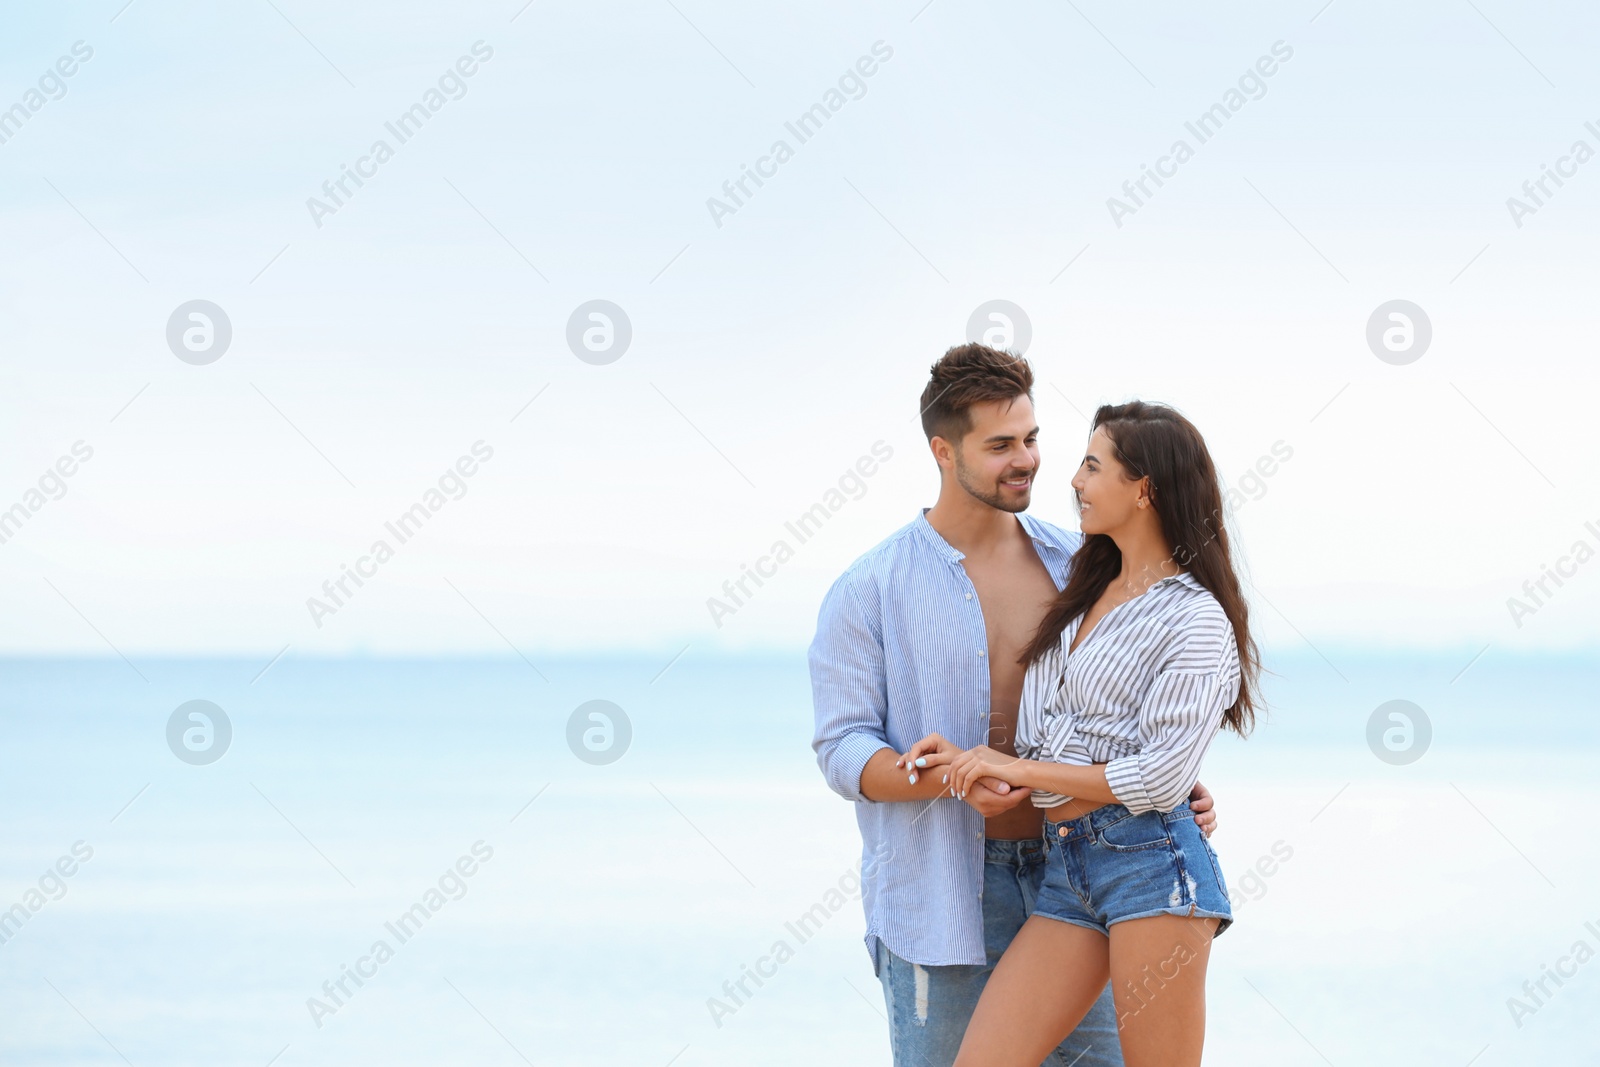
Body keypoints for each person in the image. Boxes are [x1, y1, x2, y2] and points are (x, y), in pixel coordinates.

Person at [809, 348, 1217, 1067]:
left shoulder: (1084, 564)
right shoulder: (869, 587)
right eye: (1000, 445)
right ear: (943, 450)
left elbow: (1132, 704)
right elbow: (842, 747)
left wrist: (1169, 790)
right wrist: (953, 777)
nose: (1026, 460)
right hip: (946, 887)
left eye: (1031, 438)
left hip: (1089, 870)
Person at [901, 400, 1260, 1067]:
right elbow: (1057, 743)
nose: (1074, 481)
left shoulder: (1194, 618)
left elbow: (1158, 777)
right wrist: (974, 763)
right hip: (1069, 868)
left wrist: (1030, 773)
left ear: (1144, 489)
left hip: (1151, 867)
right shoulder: (1082, 592)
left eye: (1093, 466)